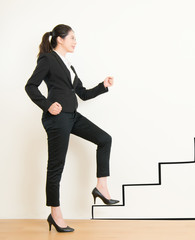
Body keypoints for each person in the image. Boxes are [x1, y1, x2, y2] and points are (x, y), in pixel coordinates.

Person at [25, 24, 119, 232]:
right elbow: (30, 86)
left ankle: (101, 187)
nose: (75, 42)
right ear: (60, 39)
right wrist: (48, 105)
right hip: (57, 120)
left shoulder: (69, 66)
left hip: (73, 116)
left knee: (105, 139)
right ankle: (55, 213)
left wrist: (103, 85)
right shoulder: (47, 59)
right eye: (72, 38)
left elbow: (83, 94)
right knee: (56, 166)